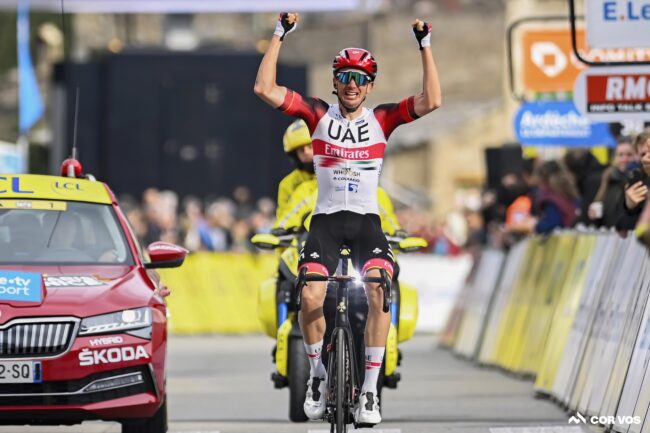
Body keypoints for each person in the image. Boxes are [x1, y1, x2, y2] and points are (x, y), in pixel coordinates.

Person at [254, 12, 441, 424]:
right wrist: (279, 34)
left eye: (360, 78)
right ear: (335, 82)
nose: (353, 84)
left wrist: (424, 45)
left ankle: (370, 392)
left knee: (379, 290)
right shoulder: (318, 114)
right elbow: (264, 88)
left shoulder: (382, 119)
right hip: (324, 223)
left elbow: (432, 102)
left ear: (370, 86)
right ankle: (318, 377)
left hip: (366, 224)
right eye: (345, 77)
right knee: (309, 296)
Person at [274, 119, 315, 230]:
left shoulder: (338, 174)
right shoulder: (286, 184)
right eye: (301, 150)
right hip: (300, 240)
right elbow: (282, 219)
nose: (306, 152)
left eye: (311, 146)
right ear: (295, 155)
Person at [589, 137, 637, 227]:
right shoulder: (608, 180)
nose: (624, 159)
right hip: (611, 237)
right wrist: (595, 217)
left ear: (636, 156)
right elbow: (605, 220)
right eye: (620, 155)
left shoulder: (640, 182)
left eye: (629, 155)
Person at [616, 130, 650, 232]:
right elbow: (622, 224)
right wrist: (630, 207)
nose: (647, 158)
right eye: (643, 154)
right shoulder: (636, 180)